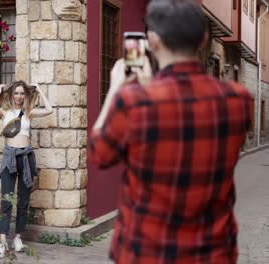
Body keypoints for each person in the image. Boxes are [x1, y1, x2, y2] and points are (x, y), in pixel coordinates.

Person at [89, 0, 253, 263]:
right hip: (211, 253)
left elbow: (99, 155)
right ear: (203, 38)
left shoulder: (134, 101)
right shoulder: (238, 100)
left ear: (152, 40)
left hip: (146, 252)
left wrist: (116, 89)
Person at [0, 80, 53, 258]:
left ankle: (18, 238)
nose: (19, 97)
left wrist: (39, 90)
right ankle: (2, 242)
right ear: (11, 95)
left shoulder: (28, 113)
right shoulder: (4, 112)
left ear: (26, 96)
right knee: (6, 200)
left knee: (23, 200)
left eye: (22, 93)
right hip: (9, 157)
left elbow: (49, 109)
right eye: (16, 93)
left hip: (26, 157)